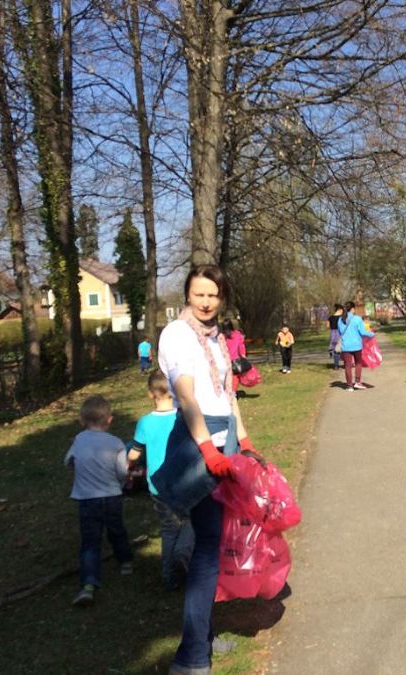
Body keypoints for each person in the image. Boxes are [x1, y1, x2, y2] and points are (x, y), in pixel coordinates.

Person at [152, 264, 258, 673]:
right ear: (187, 294)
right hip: (200, 443)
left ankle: (201, 640)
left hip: (223, 438)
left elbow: (227, 394)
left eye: (213, 294)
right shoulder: (177, 335)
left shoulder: (216, 338)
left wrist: (243, 442)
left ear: (221, 297)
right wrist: (209, 452)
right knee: (208, 549)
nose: (206, 301)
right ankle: (192, 656)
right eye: (199, 293)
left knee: (210, 545)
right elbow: (188, 397)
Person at [65, 395, 135, 607]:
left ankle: (88, 583)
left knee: (90, 541)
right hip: (112, 496)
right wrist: (126, 480)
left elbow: (68, 461)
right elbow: (122, 471)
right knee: (116, 530)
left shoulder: (78, 440)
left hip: (87, 498)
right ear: (109, 420)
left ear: (82, 420)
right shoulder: (115, 443)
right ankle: (125, 562)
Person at [131, 371, 192, 591]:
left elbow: (134, 453)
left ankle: (169, 577)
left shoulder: (145, 422)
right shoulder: (183, 417)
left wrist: (129, 462)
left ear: (150, 394)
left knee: (168, 529)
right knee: (190, 521)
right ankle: (183, 554)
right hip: (184, 482)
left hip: (158, 487)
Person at [337, 300, 374, 391]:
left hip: (346, 346)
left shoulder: (340, 320)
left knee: (347, 366)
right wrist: (371, 334)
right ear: (353, 309)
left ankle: (349, 386)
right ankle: (357, 382)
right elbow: (362, 332)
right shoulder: (357, 319)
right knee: (358, 363)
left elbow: (340, 332)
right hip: (357, 345)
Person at [222, 319, 247, 397]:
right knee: (235, 377)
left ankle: (225, 391)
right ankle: (233, 392)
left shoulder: (221, 336)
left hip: (224, 359)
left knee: (225, 376)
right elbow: (241, 346)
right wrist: (243, 355)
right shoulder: (237, 334)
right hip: (235, 359)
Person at [327, 304, 343, 369]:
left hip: (333, 334)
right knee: (342, 348)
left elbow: (327, 326)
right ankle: (346, 363)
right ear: (340, 310)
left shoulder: (330, 318)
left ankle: (336, 365)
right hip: (340, 333)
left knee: (334, 349)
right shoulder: (342, 318)